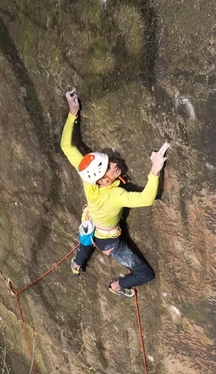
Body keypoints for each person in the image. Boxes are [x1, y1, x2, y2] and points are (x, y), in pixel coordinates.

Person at [61, 89, 169, 298]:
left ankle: (76, 264)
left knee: (85, 243)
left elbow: (66, 146)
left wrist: (73, 111)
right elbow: (146, 199)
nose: (114, 164)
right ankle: (116, 287)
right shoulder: (115, 195)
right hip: (109, 241)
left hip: (90, 223)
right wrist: (155, 169)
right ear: (102, 180)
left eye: (109, 162)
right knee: (146, 274)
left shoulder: (88, 178)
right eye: (109, 168)